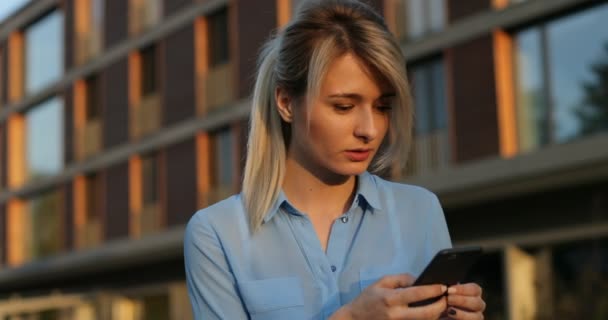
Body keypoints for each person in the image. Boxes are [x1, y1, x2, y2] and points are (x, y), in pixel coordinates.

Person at [184, 0, 486, 319]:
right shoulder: (217, 234)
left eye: (382, 107)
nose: (369, 130)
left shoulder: (420, 211)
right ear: (286, 103)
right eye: (344, 107)